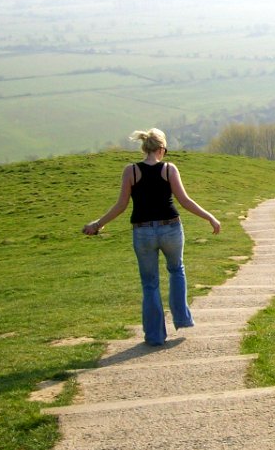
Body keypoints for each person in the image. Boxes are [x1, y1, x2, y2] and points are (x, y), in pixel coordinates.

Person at [82, 128, 221, 345]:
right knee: (176, 271)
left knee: (150, 284)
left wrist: (97, 224)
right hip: (171, 228)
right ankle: (182, 319)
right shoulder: (169, 169)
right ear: (161, 149)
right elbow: (185, 201)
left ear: (145, 147)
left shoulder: (131, 171)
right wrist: (210, 217)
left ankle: (155, 336)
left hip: (143, 231)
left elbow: (121, 205)